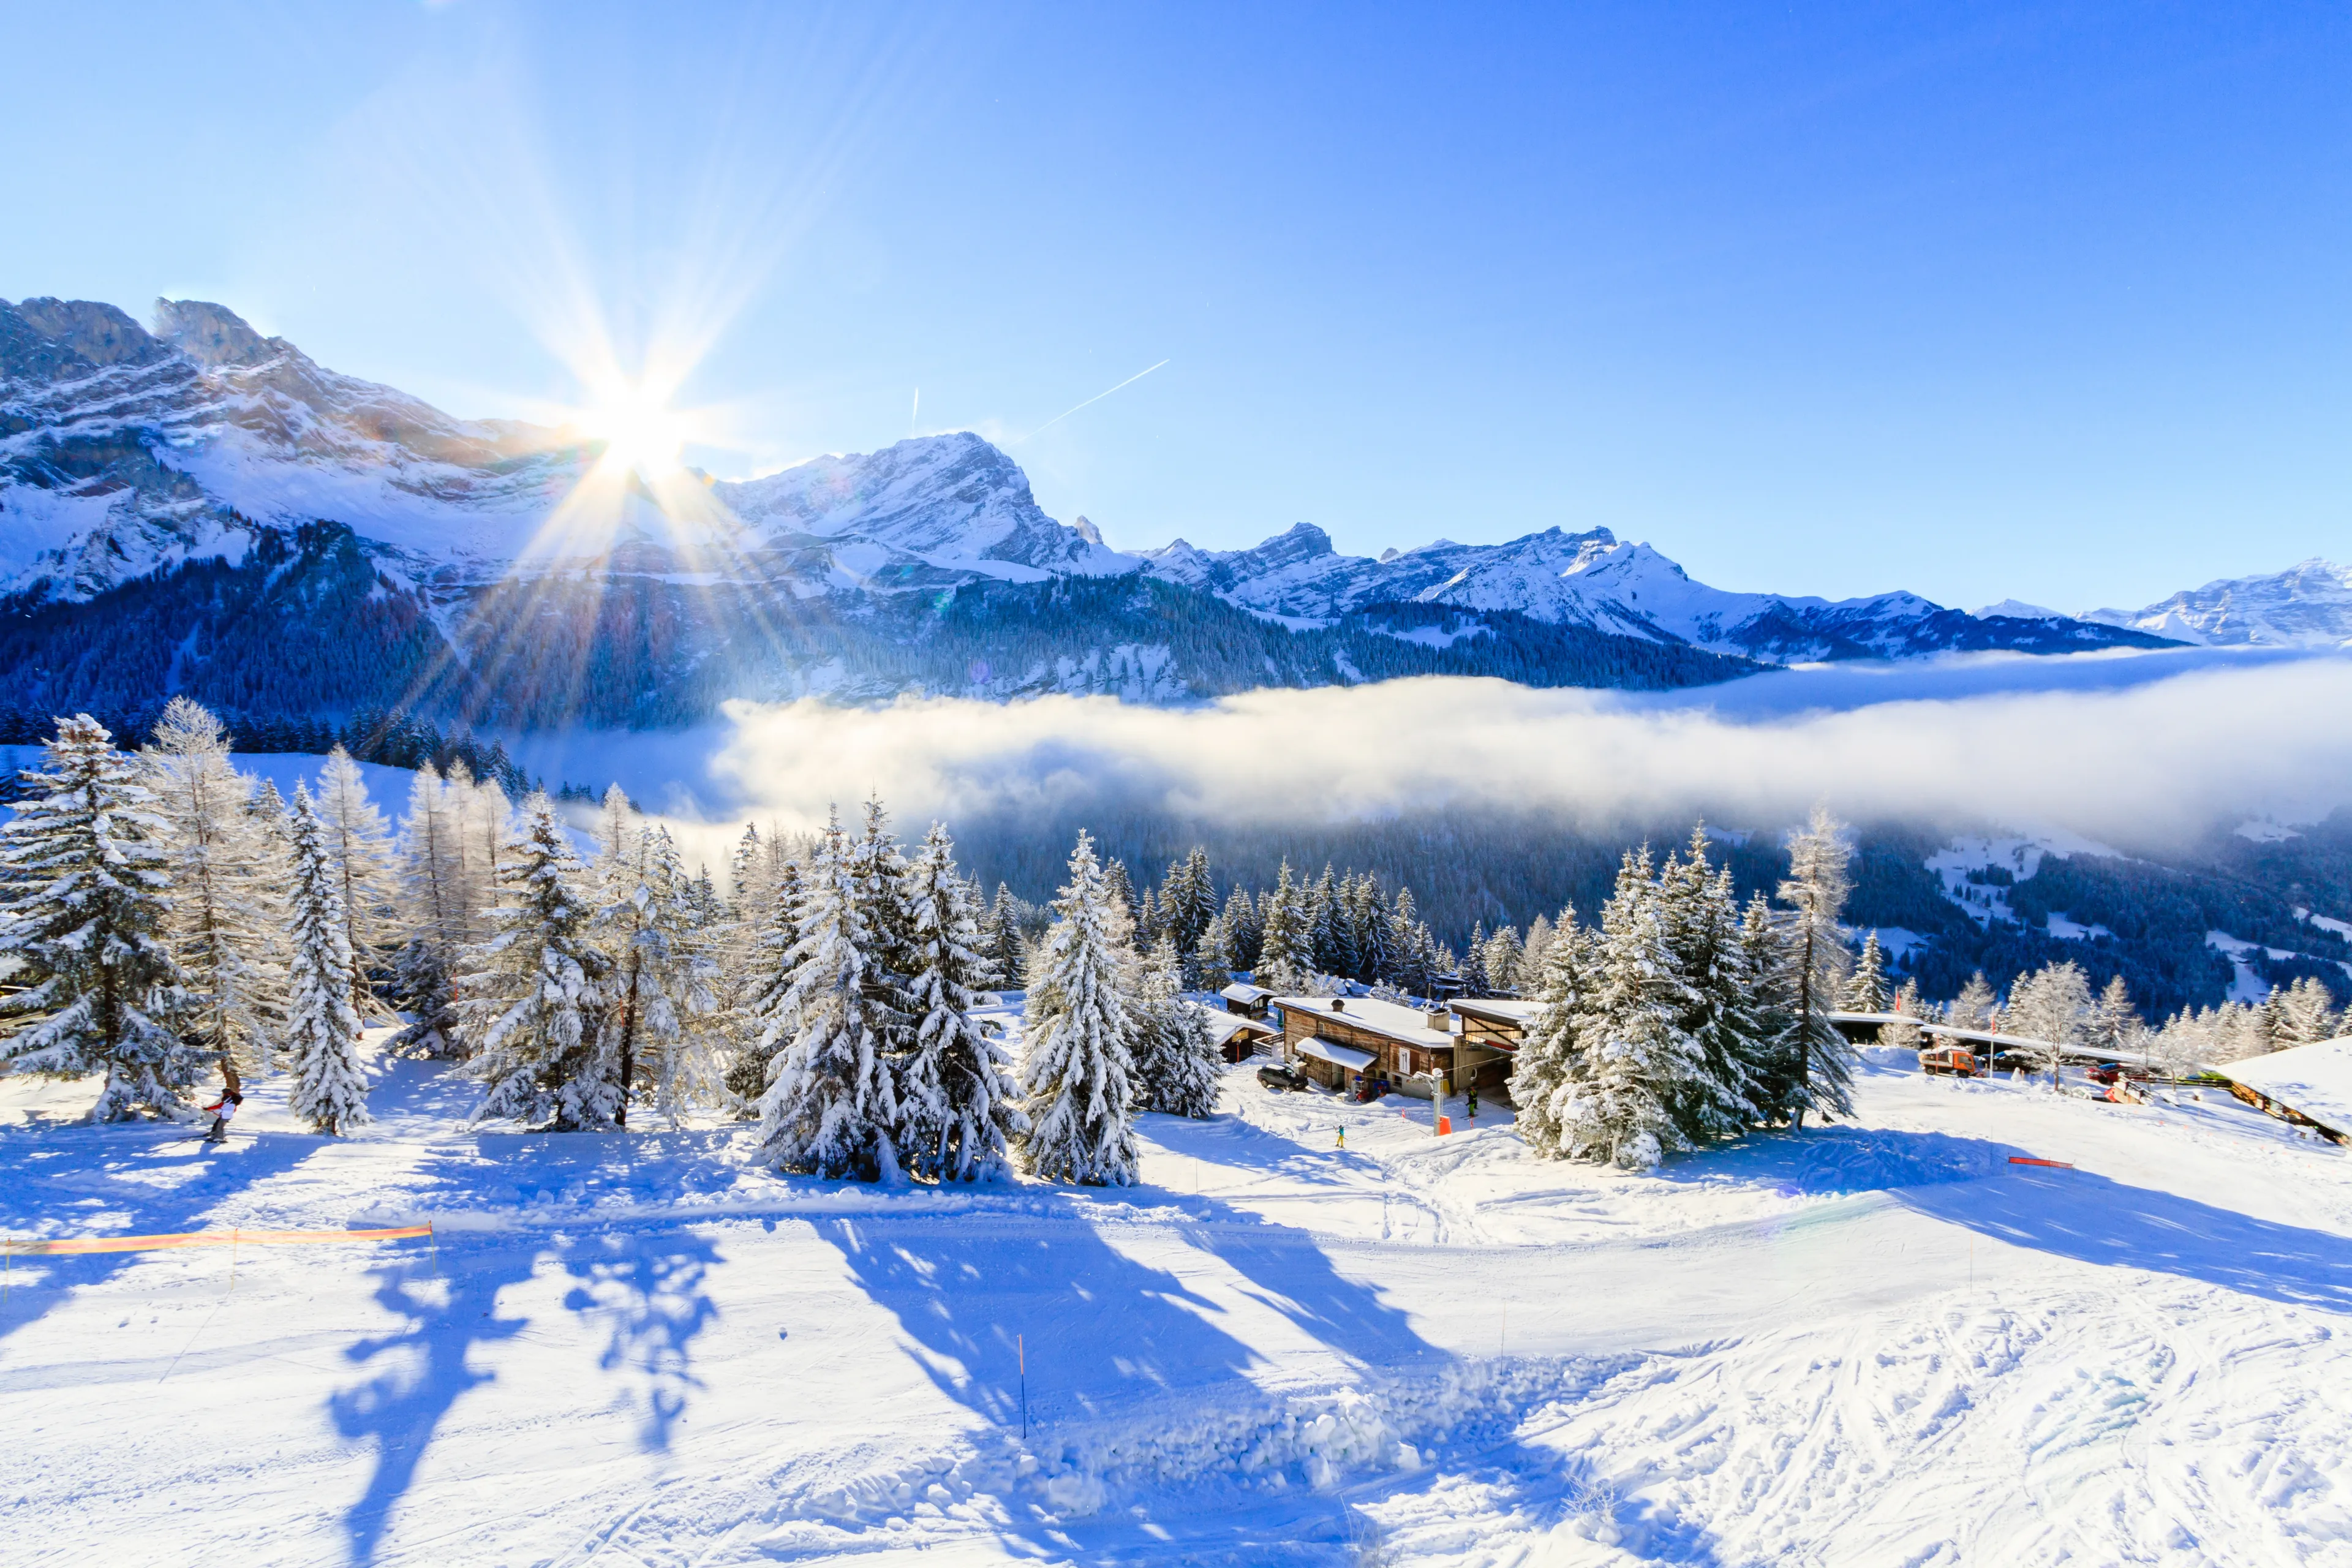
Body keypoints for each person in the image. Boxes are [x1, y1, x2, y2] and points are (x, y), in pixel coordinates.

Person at [202, 1067, 244, 1144]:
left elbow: (219, 1106)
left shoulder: (228, 1100)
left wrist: (209, 1109)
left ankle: (219, 1137)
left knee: (219, 1126)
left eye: (224, 1093)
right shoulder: (231, 1099)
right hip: (226, 1115)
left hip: (226, 1115)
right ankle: (216, 1135)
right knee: (219, 1125)